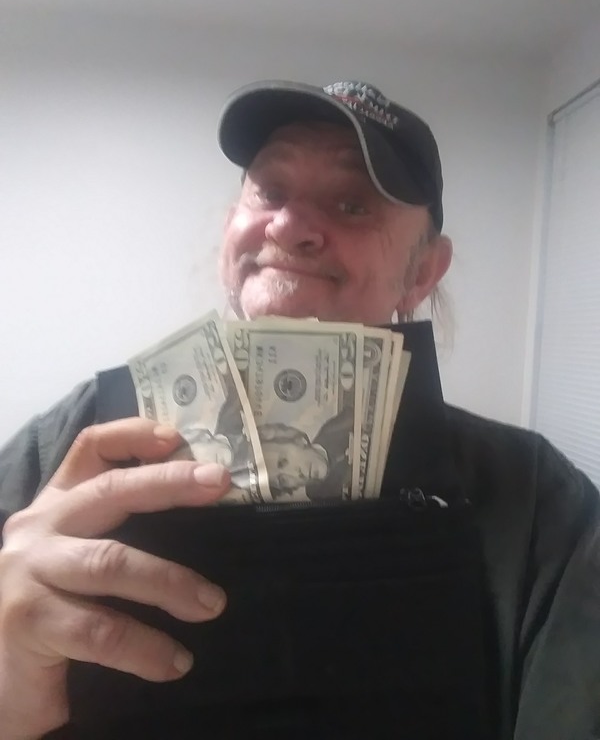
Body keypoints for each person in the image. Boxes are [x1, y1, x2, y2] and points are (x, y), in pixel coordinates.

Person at [0, 79, 598, 739]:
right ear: (230, 232)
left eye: (352, 203)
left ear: (423, 271)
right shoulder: (69, 445)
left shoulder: (537, 502)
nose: (287, 227)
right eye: (269, 191)